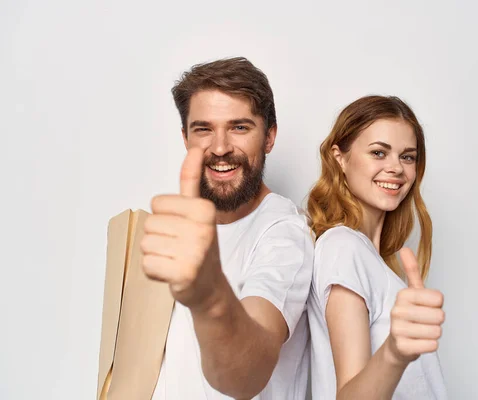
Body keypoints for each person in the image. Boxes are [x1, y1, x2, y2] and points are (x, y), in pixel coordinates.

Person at [140, 57, 313, 399]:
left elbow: (245, 377)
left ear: (269, 137)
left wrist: (209, 296)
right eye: (203, 129)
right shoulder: (172, 232)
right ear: (185, 138)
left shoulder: (285, 233)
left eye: (239, 127)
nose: (220, 148)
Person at [306, 95, 448, 399]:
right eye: (379, 152)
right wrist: (395, 351)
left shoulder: (369, 258)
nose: (396, 168)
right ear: (339, 158)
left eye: (407, 157)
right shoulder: (344, 248)